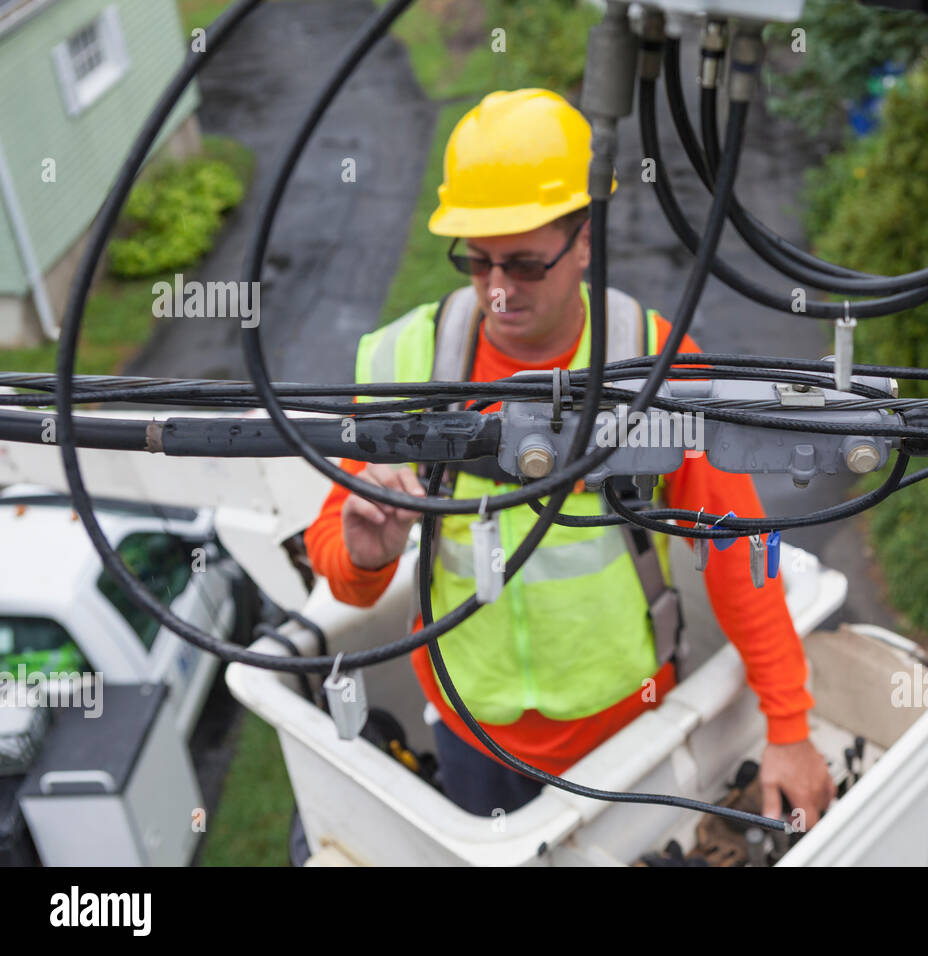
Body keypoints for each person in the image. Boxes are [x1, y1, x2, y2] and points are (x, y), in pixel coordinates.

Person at [304, 88, 833, 825]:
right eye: (477, 261)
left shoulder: (652, 363)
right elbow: (340, 561)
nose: (497, 291)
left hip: (624, 729)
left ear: (584, 238)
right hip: (469, 728)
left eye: (524, 263)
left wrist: (790, 727)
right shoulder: (406, 362)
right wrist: (365, 557)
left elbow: (743, 546)